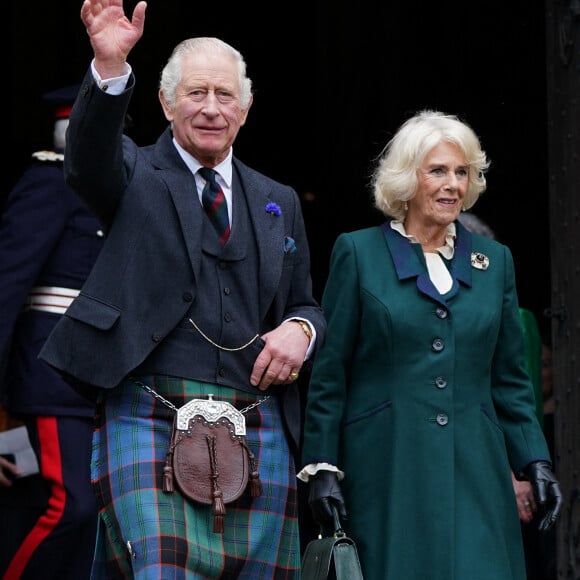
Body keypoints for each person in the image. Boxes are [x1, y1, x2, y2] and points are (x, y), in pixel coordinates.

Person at [38, 1, 326, 577]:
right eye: (196, 93)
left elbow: (302, 302)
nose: (212, 109)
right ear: (166, 103)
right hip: (149, 410)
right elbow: (88, 158)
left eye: (225, 95)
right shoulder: (133, 173)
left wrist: (302, 330)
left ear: (245, 108)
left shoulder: (280, 201)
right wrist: (109, 64)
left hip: (255, 421)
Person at [298, 110, 562, 580]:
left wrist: (534, 459)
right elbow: (331, 371)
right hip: (387, 465)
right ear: (406, 178)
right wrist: (322, 465)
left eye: (462, 172)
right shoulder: (358, 253)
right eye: (438, 171)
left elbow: (509, 379)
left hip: (476, 468)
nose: (453, 185)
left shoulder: (494, 261)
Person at [0, 85, 102, 578]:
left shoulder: (118, 194)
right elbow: (6, 291)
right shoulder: (49, 183)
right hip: (47, 383)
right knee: (68, 508)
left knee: (98, 524)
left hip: (102, 388)